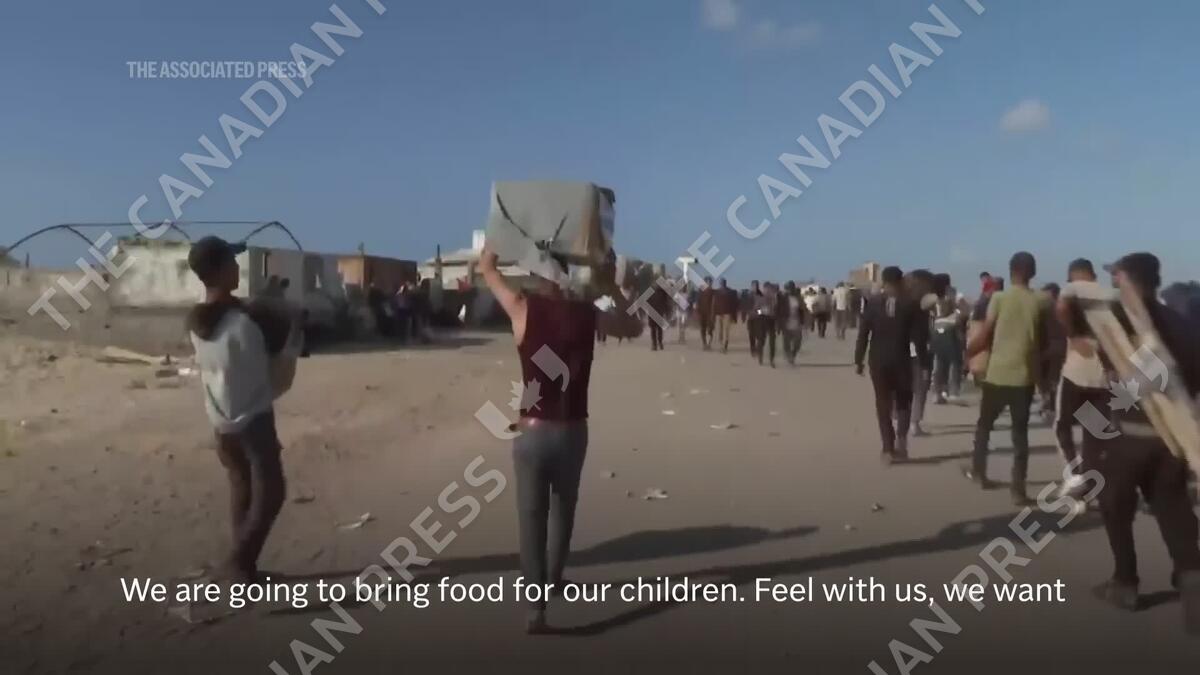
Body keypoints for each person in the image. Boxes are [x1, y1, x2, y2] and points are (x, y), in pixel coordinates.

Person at [478, 244, 638, 633]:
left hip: (531, 432)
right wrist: (614, 286)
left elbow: (488, 270)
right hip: (572, 430)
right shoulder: (588, 314)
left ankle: (536, 610)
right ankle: (554, 577)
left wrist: (497, 244)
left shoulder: (522, 309)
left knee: (531, 518)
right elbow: (633, 327)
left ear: (538, 276)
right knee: (564, 509)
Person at [1085, 253, 1200, 618]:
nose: (1114, 284)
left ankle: (1125, 583)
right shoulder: (1182, 323)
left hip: (1129, 436)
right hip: (1172, 438)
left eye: (1117, 278)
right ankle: (1193, 581)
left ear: (1129, 280)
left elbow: (1116, 386)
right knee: (1173, 507)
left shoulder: (1122, 323)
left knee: (1115, 506)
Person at [185, 236, 293, 584]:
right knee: (272, 492)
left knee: (241, 485)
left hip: (220, 422)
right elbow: (277, 364)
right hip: (253, 420)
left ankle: (245, 570)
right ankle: (238, 563)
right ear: (218, 270)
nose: (237, 268)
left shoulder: (199, 323)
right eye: (232, 262)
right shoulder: (244, 323)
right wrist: (277, 308)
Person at [965, 252, 1044, 504]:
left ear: (1011, 272)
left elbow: (986, 333)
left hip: (997, 373)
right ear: (1033, 273)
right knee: (1020, 435)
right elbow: (1041, 341)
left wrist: (968, 353)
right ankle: (1018, 489)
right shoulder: (1040, 301)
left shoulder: (999, 298)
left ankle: (979, 472)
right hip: (1024, 377)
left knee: (984, 426)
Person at [856, 266, 926, 464]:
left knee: (882, 403)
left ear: (884, 282)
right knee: (904, 400)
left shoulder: (873, 303)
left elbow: (864, 334)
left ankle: (887, 447)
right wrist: (924, 363)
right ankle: (901, 440)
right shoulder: (911, 304)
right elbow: (919, 338)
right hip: (901, 359)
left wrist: (858, 360)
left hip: (878, 360)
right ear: (901, 281)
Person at [1052, 259, 1109, 500]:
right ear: (1093, 274)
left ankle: (1075, 475)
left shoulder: (1072, 289)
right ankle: (1090, 481)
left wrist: (1073, 334)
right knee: (1093, 431)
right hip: (1101, 376)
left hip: (1075, 373)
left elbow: (1062, 308)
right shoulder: (1107, 295)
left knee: (1062, 424)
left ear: (1071, 276)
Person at [906, 270, 937, 438]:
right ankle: (914, 423)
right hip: (918, 351)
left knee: (905, 387)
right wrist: (925, 361)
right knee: (920, 387)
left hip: (901, 350)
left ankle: (901, 417)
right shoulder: (921, 307)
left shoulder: (902, 301)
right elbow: (920, 336)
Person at [930, 274, 964, 404]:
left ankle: (937, 392)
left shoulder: (932, 296)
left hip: (936, 330)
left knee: (939, 361)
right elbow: (961, 311)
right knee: (954, 361)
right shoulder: (952, 294)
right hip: (950, 329)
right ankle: (953, 391)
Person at [1039, 282, 1066, 420]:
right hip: (1060, 350)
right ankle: (1052, 406)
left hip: (1050, 350)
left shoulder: (1044, 310)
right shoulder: (1065, 308)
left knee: (1051, 381)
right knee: (1055, 381)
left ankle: (1051, 406)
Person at [780, 281, 806, 365]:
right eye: (788, 289)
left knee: (797, 342)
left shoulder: (798, 298)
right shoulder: (783, 298)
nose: (789, 290)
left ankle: (793, 354)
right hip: (786, 323)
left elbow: (803, 310)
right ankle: (789, 356)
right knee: (786, 342)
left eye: (791, 288)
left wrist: (803, 321)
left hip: (796, 323)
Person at [755, 282, 779, 367]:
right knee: (761, 340)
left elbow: (777, 311)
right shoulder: (760, 299)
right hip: (762, 320)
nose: (768, 291)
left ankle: (772, 360)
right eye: (766, 289)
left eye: (769, 289)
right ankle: (760, 355)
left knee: (772, 341)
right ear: (764, 290)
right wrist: (761, 312)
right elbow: (756, 310)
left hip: (771, 321)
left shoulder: (774, 299)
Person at [713, 278, 737, 353]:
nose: (722, 284)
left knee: (726, 330)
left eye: (723, 282)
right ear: (720, 283)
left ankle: (725, 345)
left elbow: (734, 304)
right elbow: (714, 303)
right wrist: (713, 314)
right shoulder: (717, 292)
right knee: (719, 330)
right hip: (719, 314)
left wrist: (734, 316)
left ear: (725, 283)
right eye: (721, 282)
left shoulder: (730, 292)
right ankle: (721, 345)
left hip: (727, 313)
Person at [697, 276, 716, 350]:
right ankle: (704, 344)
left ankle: (709, 344)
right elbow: (698, 301)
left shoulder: (713, 291)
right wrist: (697, 311)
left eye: (710, 282)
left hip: (710, 313)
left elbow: (715, 302)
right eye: (707, 282)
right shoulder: (700, 290)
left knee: (710, 329)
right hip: (702, 313)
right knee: (703, 329)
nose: (709, 283)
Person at [746, 281, 764, 359]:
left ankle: (758, 349)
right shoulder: (749, 295)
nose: (755, 287)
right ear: (751, 286)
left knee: (759, 335)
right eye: (753, 286)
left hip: (758, 318)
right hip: (751, 318)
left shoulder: (761, 295)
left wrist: (759, 313)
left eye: (756, 286)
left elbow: (763, 307)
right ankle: (753, 350)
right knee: (751, 335)